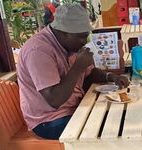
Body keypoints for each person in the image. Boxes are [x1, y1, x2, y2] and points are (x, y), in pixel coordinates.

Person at [17, 4, 129, 140]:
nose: (83, 42)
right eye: (80, 37)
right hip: (49, 121)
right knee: (110, 131)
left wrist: (111, 76)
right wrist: (77, 67)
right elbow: (54, 100)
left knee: (121, 117)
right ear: (63, 32)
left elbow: (90, 72)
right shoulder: (38, 50)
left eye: (86, 37)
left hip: (75, 108)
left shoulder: (69, 45)